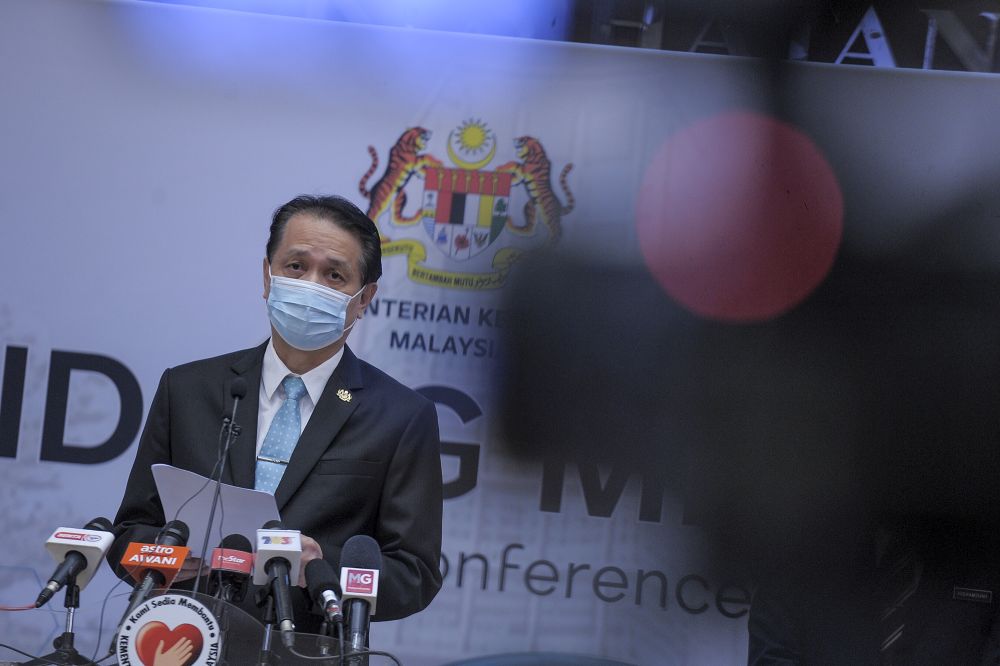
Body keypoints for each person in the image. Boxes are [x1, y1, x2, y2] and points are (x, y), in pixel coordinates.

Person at [107, 195, 443, 630]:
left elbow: (414, 576)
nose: (311, 286)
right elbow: (129, 536)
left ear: (364, 299)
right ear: (268, 275)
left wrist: (321, 570)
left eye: (335, 275)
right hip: (178, 640)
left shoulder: (400, 417)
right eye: (296, 267)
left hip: (305, 650)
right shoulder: (187, 389)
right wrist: (170, 554)